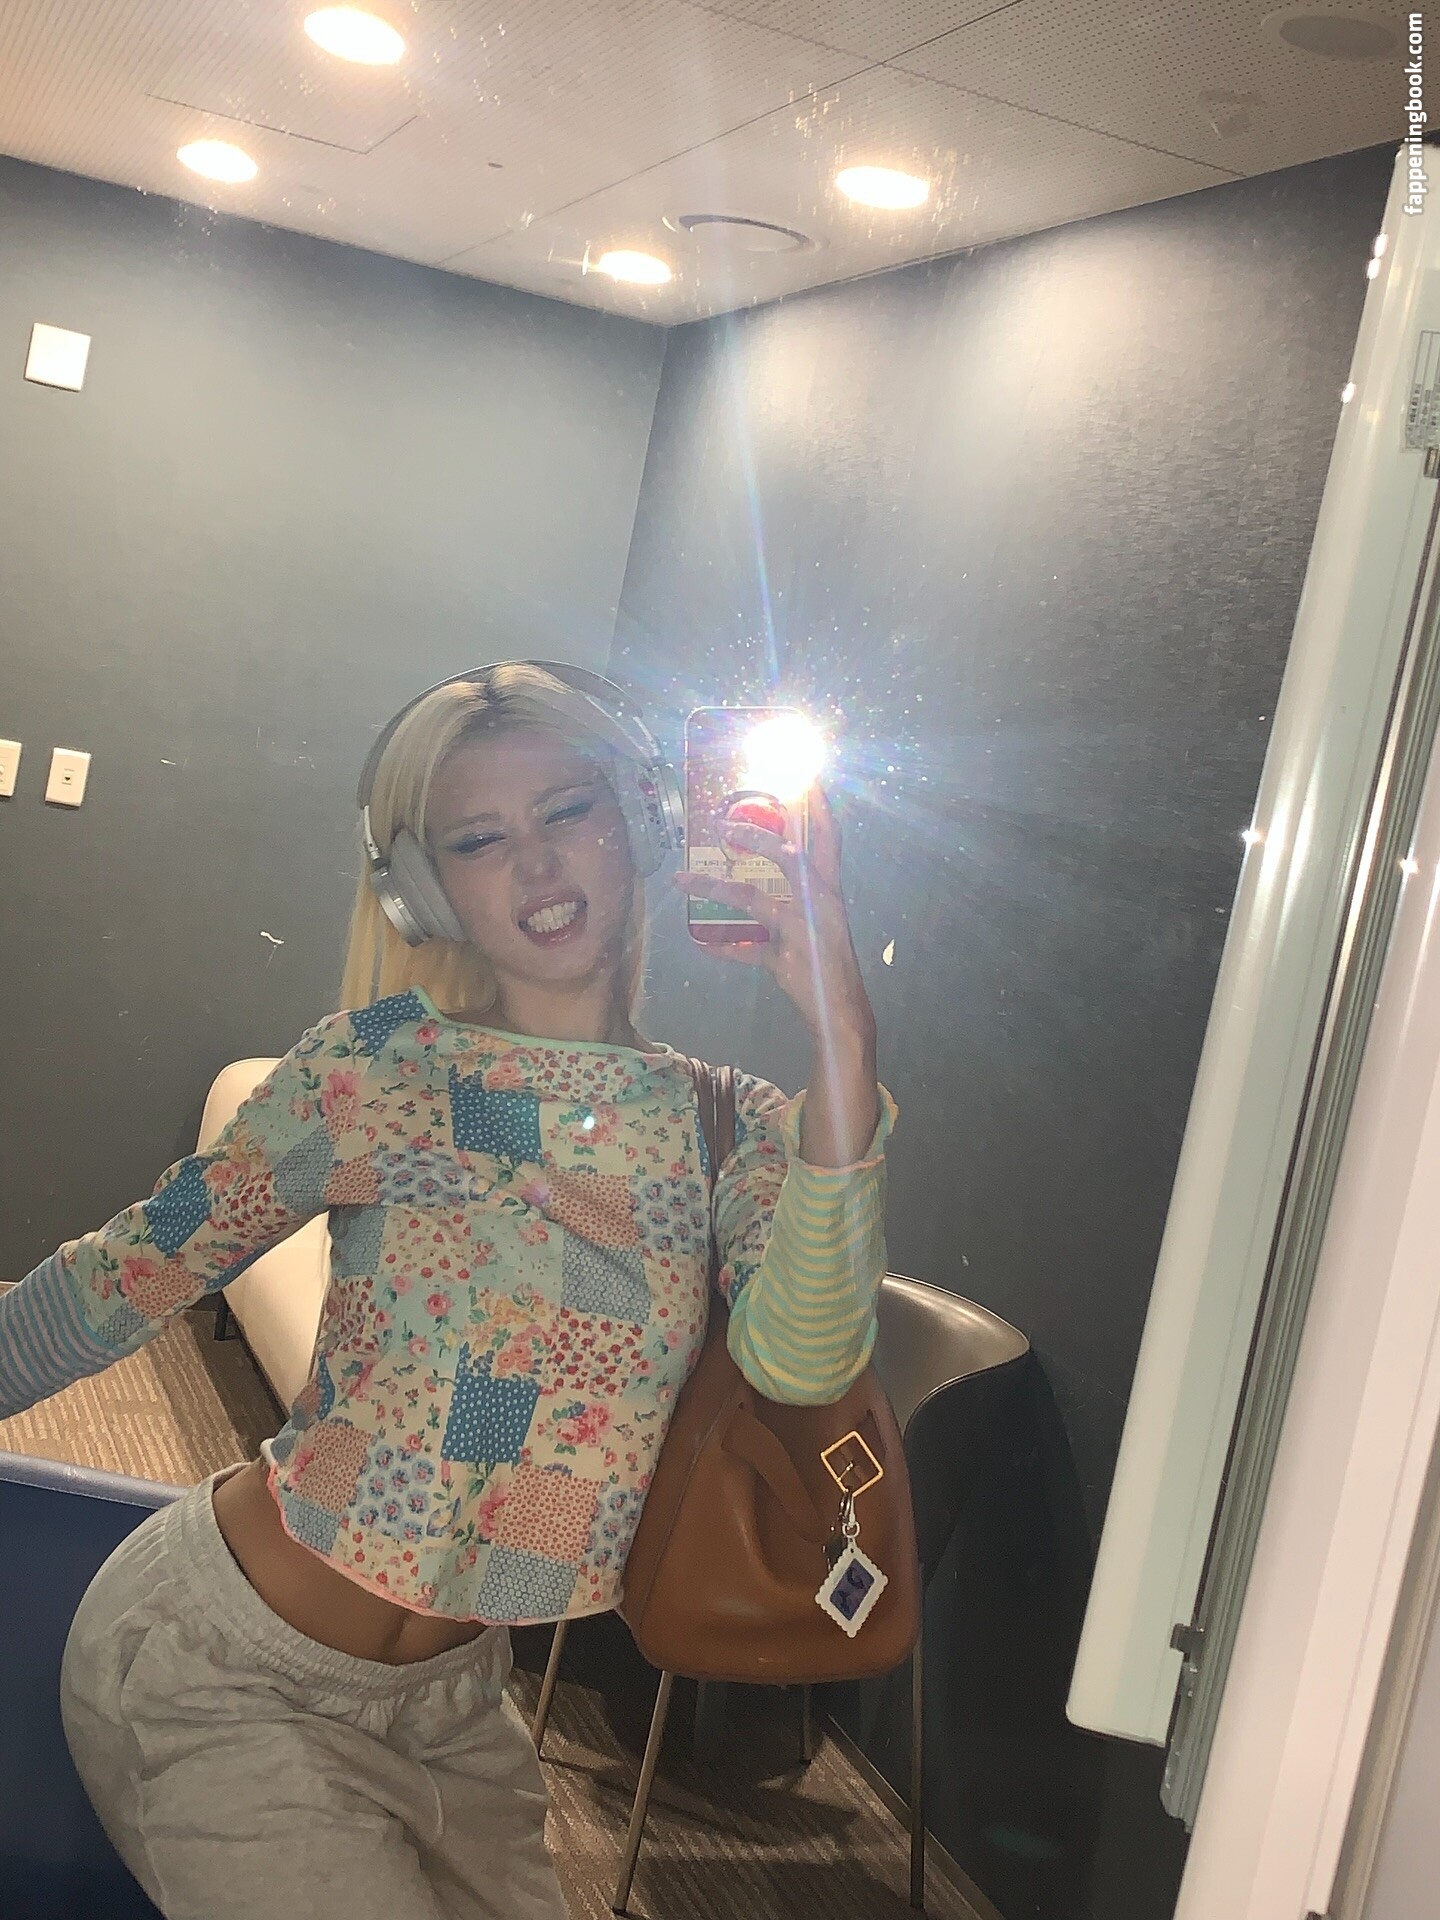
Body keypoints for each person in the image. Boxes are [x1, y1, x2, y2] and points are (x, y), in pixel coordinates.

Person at [0, 661, 897, 1920]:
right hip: (230, 1667)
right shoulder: (378, 1071)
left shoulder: (728, 1125)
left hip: (460, 1711)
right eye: (481, 839)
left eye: (568, 811)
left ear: (641, 821)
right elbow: (126, 1276)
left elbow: (803, 1360)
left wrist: (844, 1038)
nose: (536, 864)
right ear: (426, 887)